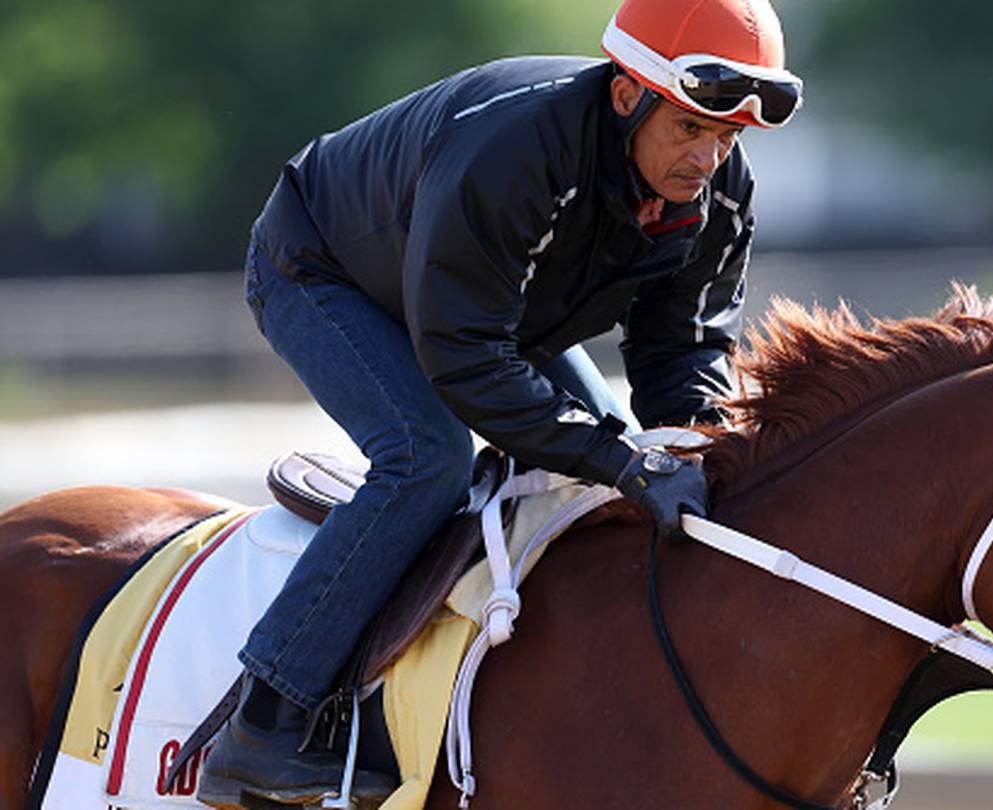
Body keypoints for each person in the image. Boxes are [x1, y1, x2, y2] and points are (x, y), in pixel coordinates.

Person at [194, 0, 802, 806]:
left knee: (624, 460)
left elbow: (681, 349)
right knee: (429, 460)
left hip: (489, 310)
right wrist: (621, 459)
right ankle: (263, 725)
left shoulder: (720, 191)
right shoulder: (513, 150)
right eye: (690, 128)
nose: (708, 157)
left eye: (726, 137)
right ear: (627, 97)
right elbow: (463, 361)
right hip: (322, 269)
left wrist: (690, 448)